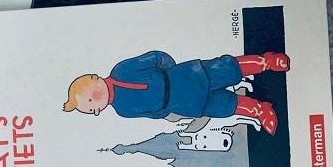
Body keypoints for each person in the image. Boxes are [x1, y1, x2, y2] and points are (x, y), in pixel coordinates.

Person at [63, 51, 290, 135]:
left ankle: (266, 62)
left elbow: (154, 58)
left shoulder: (121, 71)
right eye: (90, 109)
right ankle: (259, 110)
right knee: (223, 106)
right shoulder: (122, 110)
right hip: (181, 103)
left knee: (225, 69)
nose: (95, 107)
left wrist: (170, 71)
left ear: (94, 78)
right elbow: (152, 114)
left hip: (183, 77)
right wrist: (166, 109)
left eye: (90, 99)